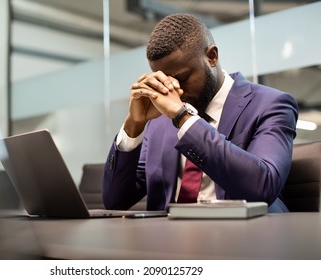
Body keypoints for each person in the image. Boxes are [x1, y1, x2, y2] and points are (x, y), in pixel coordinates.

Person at [102, 13, 298, 213]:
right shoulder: (159, 119)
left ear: (212, 57)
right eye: (166, 81)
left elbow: (263, 186)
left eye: (183, 78)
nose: (174, 90)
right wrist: (134, 125)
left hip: (245, 237)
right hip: (166, 238)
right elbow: (115, 201)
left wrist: (182, 117)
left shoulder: (271, 104)